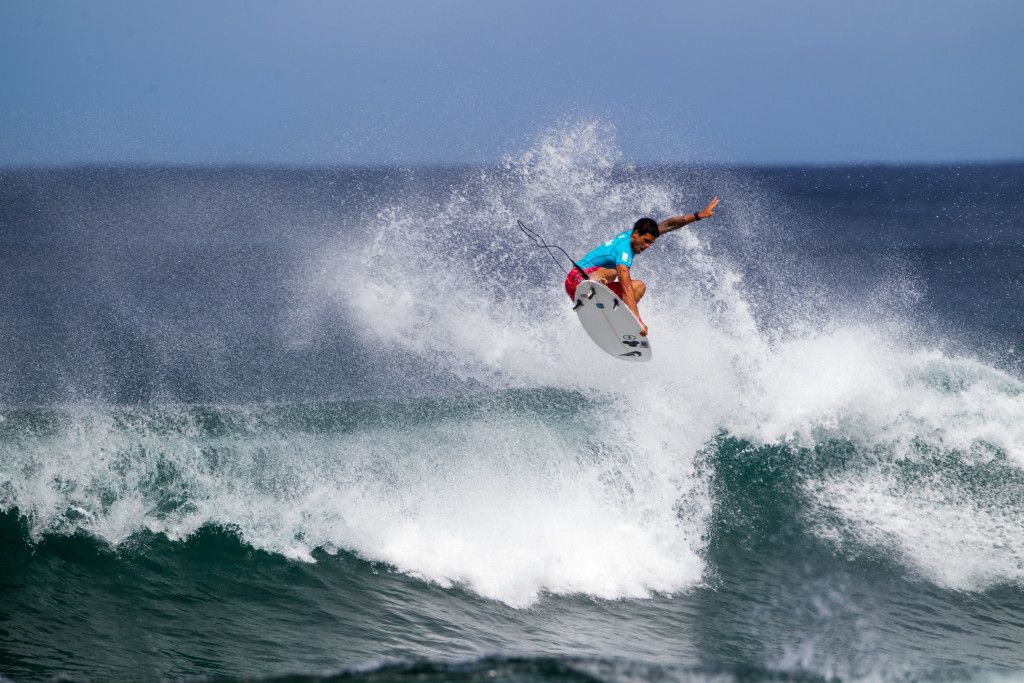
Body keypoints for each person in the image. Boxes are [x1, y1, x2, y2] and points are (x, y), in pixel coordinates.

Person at [564, 197, 719, 336]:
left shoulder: (634, 235)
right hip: (576, 281)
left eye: (650, 243)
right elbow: (625, 287)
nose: (647, 246)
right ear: (636, 234)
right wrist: (637, 320)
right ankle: (595, 285)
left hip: (589, 290)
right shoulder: (623, 252)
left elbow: (668, 224)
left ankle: (611, 317)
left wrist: (698, 215)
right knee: (616, 273)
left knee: (639, 286)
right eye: (646, 241)